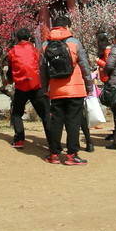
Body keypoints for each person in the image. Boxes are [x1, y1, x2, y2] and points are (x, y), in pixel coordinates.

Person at [39, 14, 93, 165]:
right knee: (73, 122)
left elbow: (42, 69)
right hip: (75, 89)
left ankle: (54, 154)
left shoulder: (45, 45)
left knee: (56, 121)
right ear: (67, 27)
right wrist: (89, 86)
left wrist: (45, 88)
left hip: (56, 90)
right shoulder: (75, 43)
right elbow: (85, 66)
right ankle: (72, 155)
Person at [5, 28, 50, 149]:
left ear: (17, 39)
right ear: (29, 38)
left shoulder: (12, 51)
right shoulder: (35, 50)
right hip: (36, 85)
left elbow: (10, 69)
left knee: (17, 113)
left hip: (21, 86)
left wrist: (10, 79)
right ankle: (52, 142)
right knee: (45, 115)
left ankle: (19, 139)